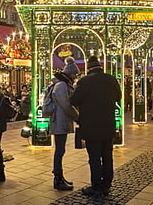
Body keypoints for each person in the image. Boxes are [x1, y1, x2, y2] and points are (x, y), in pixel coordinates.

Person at [69, 57, 122, 197]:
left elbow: (73, 100)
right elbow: (119, 97)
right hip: (108, 125)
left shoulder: (85, 81)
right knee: (107, 156)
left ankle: (97, 187)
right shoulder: (111, 79)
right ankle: (107, 185)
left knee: (94, 158)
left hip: (91, 126)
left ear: (89, 68)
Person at [47, 57, 79, 191]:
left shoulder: (63, 84)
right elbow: (65, 104)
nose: (76, 77)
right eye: (74, 74)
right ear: (69, 73)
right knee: (59, 150)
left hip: (61, 120)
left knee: (61, 149)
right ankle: (57, 178)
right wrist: (77, 116)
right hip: (59, 121)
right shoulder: (61, 85)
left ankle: (60, 176)